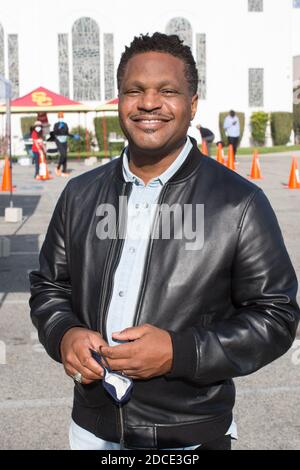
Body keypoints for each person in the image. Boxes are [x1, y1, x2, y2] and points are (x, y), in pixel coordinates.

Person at [29, 33, 299, 451]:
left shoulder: (239, 204)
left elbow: (277, 316)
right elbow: (49, 286)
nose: (149, 103)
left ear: (192, 104)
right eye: (134, 90)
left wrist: (180, 351)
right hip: (91, 430)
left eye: (167, 91)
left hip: (187, 434)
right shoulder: (80, 195)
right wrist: (64, 333)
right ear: (119, 100)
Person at [53, 112, 72, 177]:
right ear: (58, 117)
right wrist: (58, 128)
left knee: (65, 156)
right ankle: (58, 168)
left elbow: (67, 132)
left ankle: (64, 171)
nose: (61, 118)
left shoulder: (65, 124)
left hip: (64, 140)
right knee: (63, 154)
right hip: (58, 140)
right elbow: (55, 132)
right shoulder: (56, 124)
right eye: (60, 117)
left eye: (62, 117)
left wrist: (73, 136)